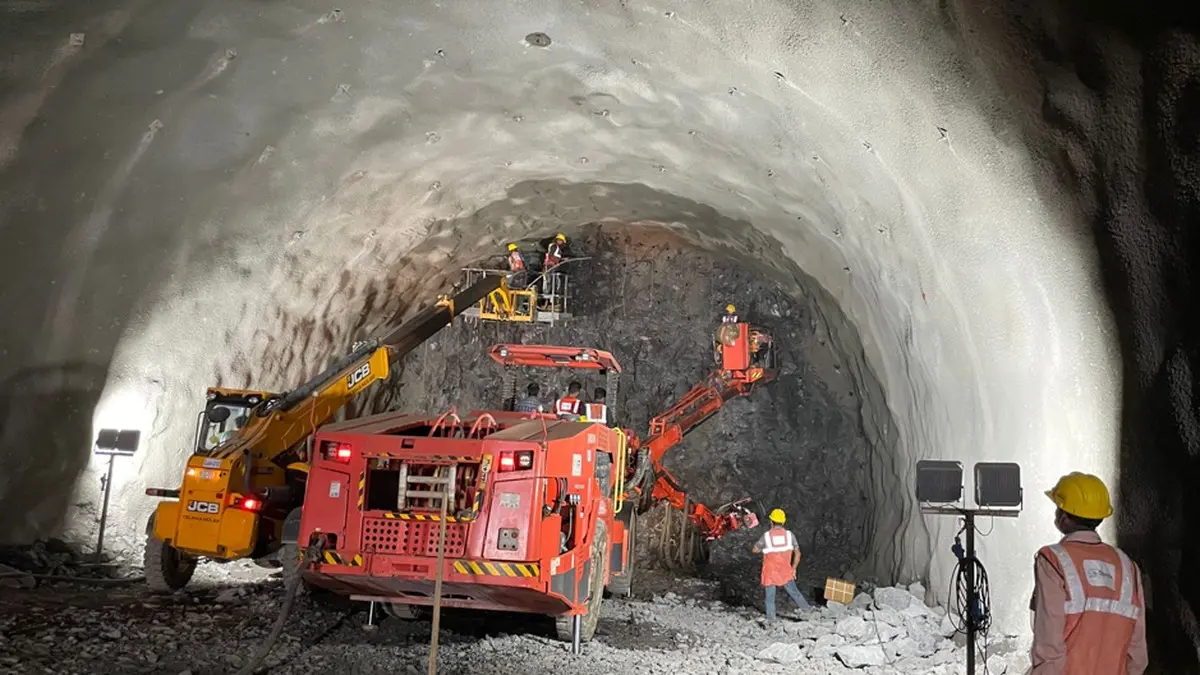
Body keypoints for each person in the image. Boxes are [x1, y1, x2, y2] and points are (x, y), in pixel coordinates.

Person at [1030, 472, 1147, 675]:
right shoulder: (1127, 566)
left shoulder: (1053, 560)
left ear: (1064, 515)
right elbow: (1137, 652)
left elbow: (1049, 641)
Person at [751, 508, 809, 621]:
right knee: (795, 593)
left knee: (770, 598)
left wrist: (765, 549)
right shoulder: (789, 536)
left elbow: (755, 550)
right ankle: (809, 612)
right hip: (785, 571)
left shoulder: (766, 536)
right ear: (783, 522)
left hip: (770, 572)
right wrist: (794, 569)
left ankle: (772, 621)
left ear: (771, 522)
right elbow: (798, 553)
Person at [542, 233, 568, 298]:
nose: (561, 242)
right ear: (557, 240)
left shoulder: (557, 248)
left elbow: (556, 256)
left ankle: (553, 292)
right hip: (549, 265)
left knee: (554, 279)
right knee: (548, 279)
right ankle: (546, 293)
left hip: (552, 265)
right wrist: (555, 263)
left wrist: (562, 259)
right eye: (560, 240)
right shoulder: (554, 246)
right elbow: (551, 255)